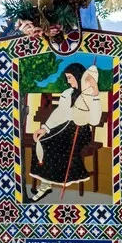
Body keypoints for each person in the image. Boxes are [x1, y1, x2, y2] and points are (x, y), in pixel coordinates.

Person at [29, 63, 102, 201]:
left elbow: (94, 120)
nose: (68, 81)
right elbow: (59, 113)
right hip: (64, 128)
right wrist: (45, 127)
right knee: (40, 143)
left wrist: (95, 92)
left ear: (78, 76)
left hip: (80, 132)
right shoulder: (67, 93)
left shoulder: (90, 94)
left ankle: (45, 186)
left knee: (51, 145)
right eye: (67, 78)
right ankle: (45, 184)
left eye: (70, 78)